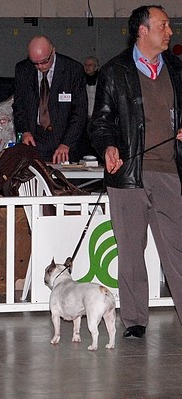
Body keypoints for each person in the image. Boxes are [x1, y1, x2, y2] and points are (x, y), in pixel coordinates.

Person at [89, 5, 182, 339]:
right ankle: (135, 321)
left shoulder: (177, 68)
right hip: (128, 174)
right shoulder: (115, 71)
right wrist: (108, 147)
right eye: (164, 25)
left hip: (171, 172)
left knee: (177, 249)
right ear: (143, 30)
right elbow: (100, 121)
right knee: (130, 250)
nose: (170, 31)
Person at [12, 35, 87, 164]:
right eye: (35, 63)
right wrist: (24, 131)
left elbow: (79, 112)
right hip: (34, 140)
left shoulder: (73, 70)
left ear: (53, 51)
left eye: (44, 61)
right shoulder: (22, 69)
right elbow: (19, 106)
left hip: (64, 140)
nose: (40, 66)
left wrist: (66, 143)